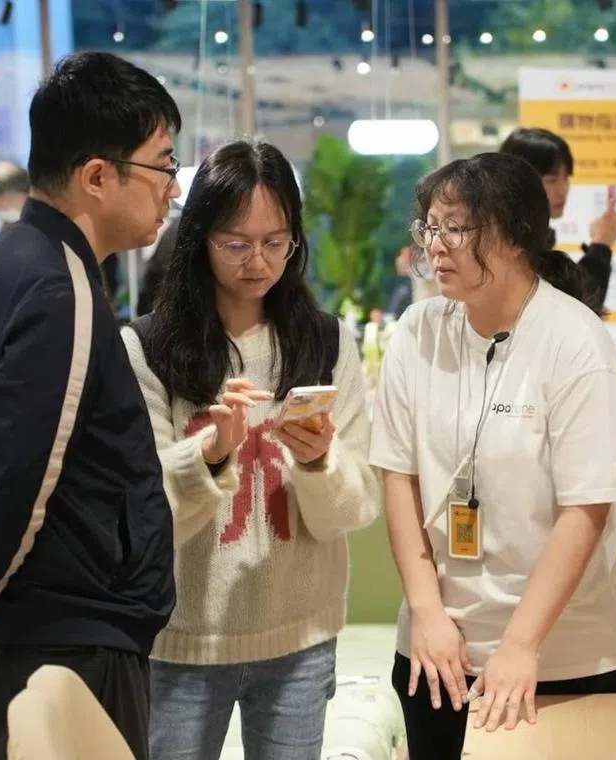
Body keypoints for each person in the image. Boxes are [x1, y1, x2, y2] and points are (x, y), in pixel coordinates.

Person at [0, 51, 182, 760]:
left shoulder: (12, 264)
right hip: (62, 637)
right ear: (96, 176)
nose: (173, 188)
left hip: (30, 630)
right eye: (163, 165)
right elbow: (19, 478)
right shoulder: (60, 287)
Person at [369, 152, 616, 760]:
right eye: (430, 227)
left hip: (564, 653)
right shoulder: (418, 331)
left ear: (515, 236)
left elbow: (586, 509)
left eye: (457, 228)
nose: (436, 246)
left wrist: (521, 645)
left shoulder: (576, 343)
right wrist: (425, 613)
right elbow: (399, 477)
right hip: (439, 649)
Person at [123, 139, 378, 760]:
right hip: (182, 641)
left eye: (276, 241)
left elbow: (356, 508)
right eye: (235, 243)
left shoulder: (325, 343)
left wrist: (319, 462)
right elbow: (145, 510)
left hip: (300, 637)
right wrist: (211, 454)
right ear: (199, 237)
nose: (257, 261)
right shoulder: (148, 349)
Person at [499, 127, 616, 309]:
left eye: (566, 178)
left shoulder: (531, 237)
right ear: (518, 180)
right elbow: (578, 306)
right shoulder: (512, 245)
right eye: (551, 180)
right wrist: (601, 246)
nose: (563, 190)